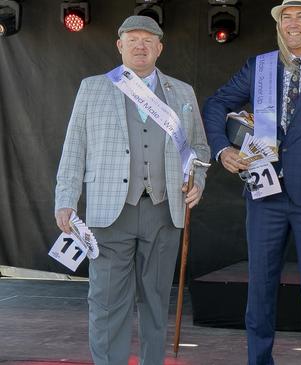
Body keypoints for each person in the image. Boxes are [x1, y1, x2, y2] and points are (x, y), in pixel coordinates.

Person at [202, 0, 301, 364]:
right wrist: (222, 150)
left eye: (300, 16)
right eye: (286, 17)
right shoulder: (259, 67)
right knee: (260, 287)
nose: (292, 23)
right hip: (264, 195)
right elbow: (215, 103)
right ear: (279, 25)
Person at [54, 16, 210, 365]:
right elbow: (73, 148)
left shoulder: (182, 92)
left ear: (160, 48)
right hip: (109, 213)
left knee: (156, 302)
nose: (140, 45)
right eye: (132, 39)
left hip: (163, 210)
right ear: (119, 46)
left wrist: (196, 181)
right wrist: (65, 200)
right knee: (107, 302)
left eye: (148, 39)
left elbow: (199, 149)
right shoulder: (92, 87)